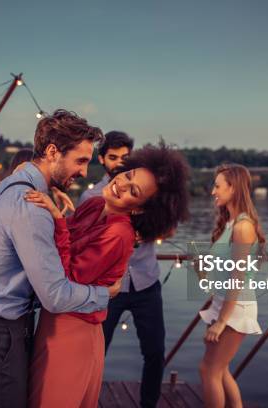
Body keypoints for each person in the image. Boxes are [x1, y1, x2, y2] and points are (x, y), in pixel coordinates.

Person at [0, 109, 122, 408]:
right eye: (81, 161)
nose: (85, 172)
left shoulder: (7, 188)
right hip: (1, 337)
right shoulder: (29, 205)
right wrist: (106, 294)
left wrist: (56, 210)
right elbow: (55, 296)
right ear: (51, 152)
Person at [26, 142, 190, 408]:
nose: (121, 185)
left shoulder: (119, 233)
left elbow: (70, 279)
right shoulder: (95, 204)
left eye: (133, 191)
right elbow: (66, 240)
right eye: (127, 176)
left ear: (138, 209)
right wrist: (51, 200)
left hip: (74, 328)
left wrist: (57, 219)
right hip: (54, 318)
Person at [79, 131, 168, 407]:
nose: (119, 163)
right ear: (102, 159)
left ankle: (148, 405)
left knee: (155, 351)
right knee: (95, 352)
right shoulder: (92, 195)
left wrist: (148, 232)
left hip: (145, 283)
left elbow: (168, 225)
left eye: (125, 158)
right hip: (109, 288)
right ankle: (87, 401)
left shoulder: (149, 193)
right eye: (113, 157)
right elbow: (84, 241)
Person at [198, 164, 265, 408]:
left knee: (208, 370)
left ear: (233, 188)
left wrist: (222, 321)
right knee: (221, 370)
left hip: (235, 310)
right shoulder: (230, 224)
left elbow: (238, 279)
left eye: (217, 186)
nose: (212, 191)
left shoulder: (243, 227)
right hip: (222, 304)